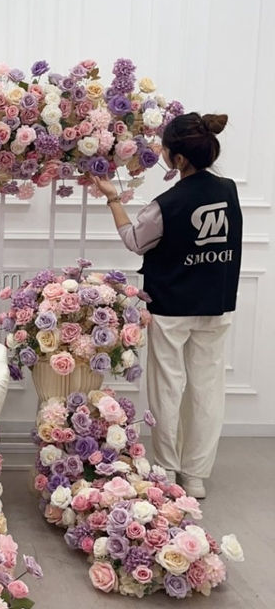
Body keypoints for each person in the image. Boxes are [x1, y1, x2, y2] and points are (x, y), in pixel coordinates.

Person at [92, 112, 242, 498]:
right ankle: (196, 477)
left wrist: (113, 198)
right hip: (216, 304)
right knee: (207, 391)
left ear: (178, 158)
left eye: (165, 150)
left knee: (167, 388)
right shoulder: (229, 191)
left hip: (172, 307)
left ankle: (166, 469)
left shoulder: (166, 204)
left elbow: (134, 240)